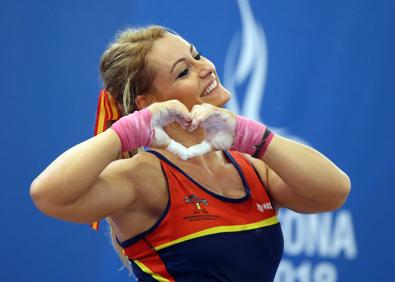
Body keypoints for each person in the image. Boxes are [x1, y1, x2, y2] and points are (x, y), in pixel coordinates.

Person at [30, 25, 351, 281]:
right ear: (146, 104)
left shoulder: (252, 167)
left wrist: (256, 137)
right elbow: (48, 195)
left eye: (198, 55)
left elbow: (333, 192)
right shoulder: (145, 178)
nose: (206, 68)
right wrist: (127, 132)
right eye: (183, 71)